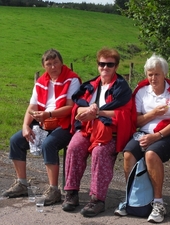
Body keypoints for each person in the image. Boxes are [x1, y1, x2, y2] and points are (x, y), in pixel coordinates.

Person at [61, 47, 135, 218]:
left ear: (116, 66)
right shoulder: (90, 86)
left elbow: (123, 113)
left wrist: (98, 113)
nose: (105, 68)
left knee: (100, 152)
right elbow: (77, 108)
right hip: (88, 128)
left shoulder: (121, 89)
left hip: (109, 132)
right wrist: (85, 110)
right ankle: (71, 192)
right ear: (98, 65)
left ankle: (97, 199)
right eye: (102, 64)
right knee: (74, 146)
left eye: (110, 64)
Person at [1, 49, 81, 205]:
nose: (53, 67)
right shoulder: (41, 82)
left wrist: (48, 114)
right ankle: (22, 184)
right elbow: (32, 106)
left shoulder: (72, 79)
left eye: (55, 62)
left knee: (49, 144)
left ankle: (54, 190)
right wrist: (25, 125)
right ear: (44, 66)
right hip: (43, 121)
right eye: (49, 64)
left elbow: (71, 108)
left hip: (64, 123)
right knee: (16, 140)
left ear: (61, 63)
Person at [114, 54, 170, 223]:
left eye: (157, 74)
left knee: (151, 155)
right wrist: (153, 114)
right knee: (128, 154)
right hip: (144, 133)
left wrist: (156, 136)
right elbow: (136, 120)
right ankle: (132, 199)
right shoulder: (141, 91)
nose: (153, 78)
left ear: (164, 74)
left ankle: (158, 203)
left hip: (167, 135)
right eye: (150, 74)